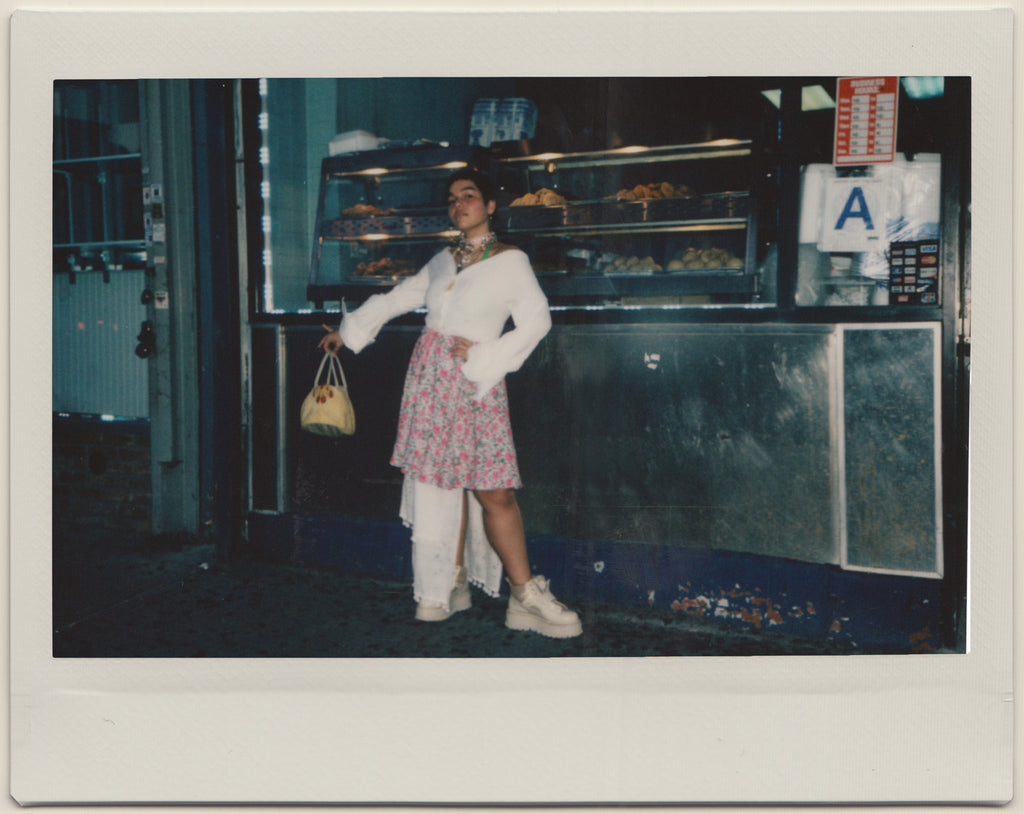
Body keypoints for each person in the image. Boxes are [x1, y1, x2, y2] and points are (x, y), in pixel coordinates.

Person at [318, 168, 582, 639]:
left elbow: (536, 323)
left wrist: (483, 355)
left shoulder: (510, 261)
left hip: (476, 383)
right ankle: (446, 585)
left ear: (491, 206)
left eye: (470, 196)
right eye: (453, 198)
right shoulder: (443, 260)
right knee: (441, 485)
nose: (459, 204)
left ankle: (525, 596)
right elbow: (401, 296)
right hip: (431, 383)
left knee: (493, 489)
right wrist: (350, 330)